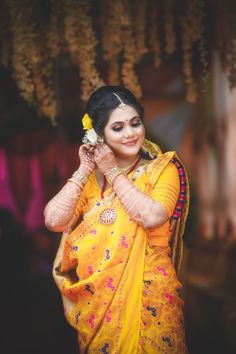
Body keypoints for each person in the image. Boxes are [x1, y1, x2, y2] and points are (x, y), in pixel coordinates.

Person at [44, 86, 190, 353]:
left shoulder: (161, 170)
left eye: (135, 123)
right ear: (100, 135)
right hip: (99, 304)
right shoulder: (89, 182)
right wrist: (85, 169)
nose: (130, 133)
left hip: (150, 297)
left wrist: (111, 171)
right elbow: (54, 221)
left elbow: (152, 216)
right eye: (118, 127)